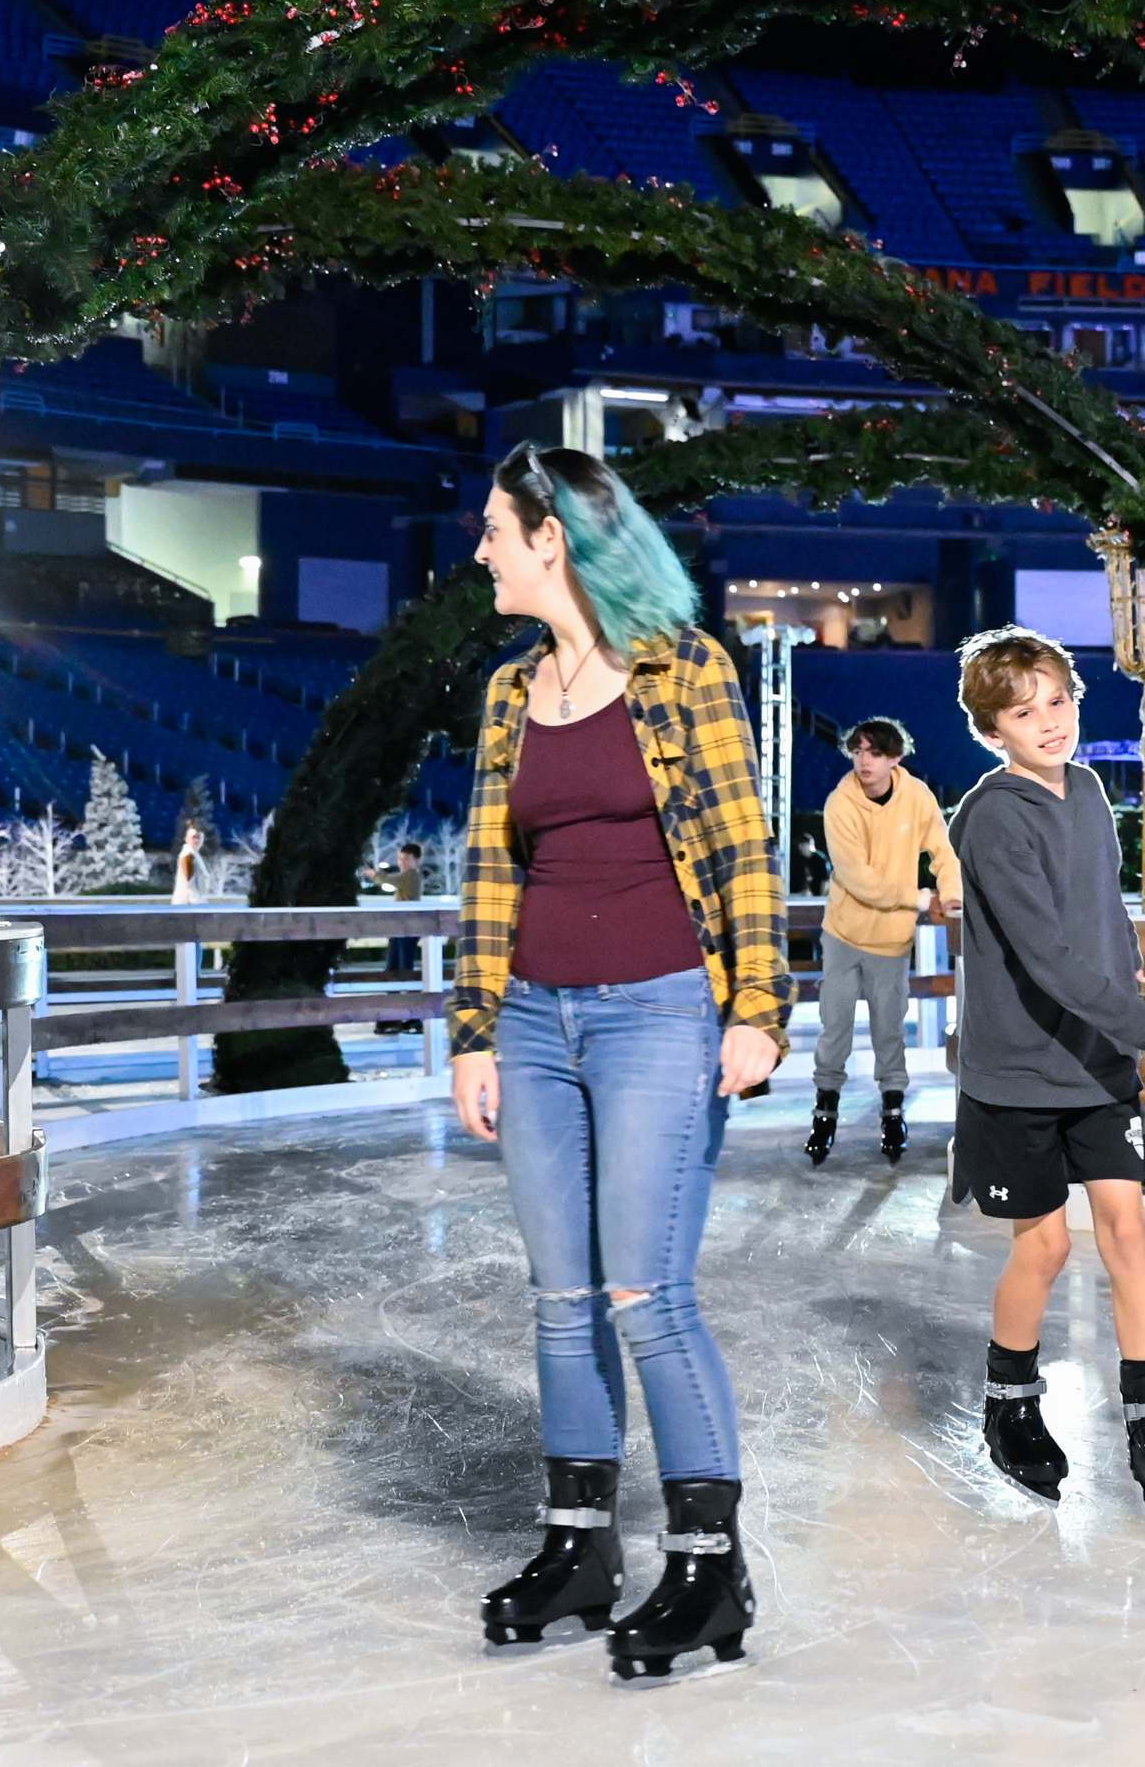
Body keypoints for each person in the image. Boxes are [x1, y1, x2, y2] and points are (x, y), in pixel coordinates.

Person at [448, 442, 785, 1679]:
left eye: (495, 529)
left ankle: (709, 1572)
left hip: (659, 1014)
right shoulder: (506, 694)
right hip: (534, 1022)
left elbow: (746, 849)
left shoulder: (684, 670)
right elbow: (492, 873)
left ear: (555, 537)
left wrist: (758, 1007)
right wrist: (474, 1031)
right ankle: (582, 1550)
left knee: (648, 1294)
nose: (480, 549)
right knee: (559, 1298)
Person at [947, 626, 1145, 1524]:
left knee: (1128, 1232)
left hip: (1096, 1064)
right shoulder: (993, 818)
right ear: (994, 730)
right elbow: (1047, 960)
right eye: (1025, 713)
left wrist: (1132, 963)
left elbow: (1104, 908)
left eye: (1059, 701)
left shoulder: (1090, 793)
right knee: (1047, 1244)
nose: (1050, 723)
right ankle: (1011, 1404)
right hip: (1021, 1068)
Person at [810, 716, 960, 1166]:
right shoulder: (840, 805)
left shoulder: (916, 797)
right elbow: (858, 879)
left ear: (895, 757)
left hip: (891, 942)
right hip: (843, 934)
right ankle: (825, 1113)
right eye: (857, 752)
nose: (863, 761)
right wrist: (915, 898)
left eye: (873, 753)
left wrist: (950, 893)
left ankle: (893, 1113)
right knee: (834, 1027)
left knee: (889, 1030)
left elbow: (943, 849)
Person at [378, 840, 425, 1034]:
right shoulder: (408, 876)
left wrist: (375, 875)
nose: (402, 862)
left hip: (408, 930)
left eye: (406, 858)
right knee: (394, 970)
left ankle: (413, 1016)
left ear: (415, 860)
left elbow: (390, 881)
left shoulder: (412, 876)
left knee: (404, 970)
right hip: (399, 930)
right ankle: (394, 1015)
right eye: (400, 858)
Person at [170, 822, 207, 904]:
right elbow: (190, 884)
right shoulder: (188, 855)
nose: (197, 840)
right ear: (186, 839)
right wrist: (198, 904)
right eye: (194, 837)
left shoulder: (195, 854)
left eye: (199, 837)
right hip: (188, 904)